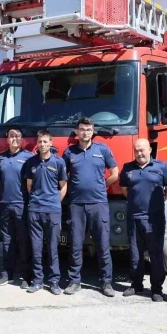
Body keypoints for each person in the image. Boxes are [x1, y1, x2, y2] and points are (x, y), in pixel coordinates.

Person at [62, 117, 119, 297]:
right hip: (76, 205)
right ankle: (74, 281)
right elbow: (62, 177)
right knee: (76, 245)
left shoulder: (102, 149)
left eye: (88, 129)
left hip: (98, 204)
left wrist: (102, 185)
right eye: (82, 129)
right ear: (77, 132)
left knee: (102, 244)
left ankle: (106, 282)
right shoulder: (69, 152)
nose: (85, 132)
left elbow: (115, 173)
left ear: (93, 131)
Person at [119, 139, 167, 302]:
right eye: (136, 150)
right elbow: (125, 189)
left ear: (150, 150)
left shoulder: (161, 167)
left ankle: (156, 289)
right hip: (134, 217)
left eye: (142, 150)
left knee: (155, 254)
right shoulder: (128, 168)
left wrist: (155, 205)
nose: (140, 153)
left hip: (154, 219)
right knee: (135, 254)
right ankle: (136, 284)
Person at [25, 130, 67, 294]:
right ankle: (37, 281)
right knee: (36, 248)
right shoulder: (31, 163)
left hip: (53, 211)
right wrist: (37, 200)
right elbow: (29, 186)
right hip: (35, 210)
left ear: (51, 143)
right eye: (40, 142)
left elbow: (63, 186)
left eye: (45, 142)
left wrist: (56, 202)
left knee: (52, 248)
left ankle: (55, 281)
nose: (42, 144)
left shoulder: (59, 162)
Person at [0, 127, 34, 288]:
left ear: (22, 139)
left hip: (22, 205)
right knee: (7, 241)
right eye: (12, 136)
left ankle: (26, 276)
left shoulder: (28, 157)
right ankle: (7, 274)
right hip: (5, 205)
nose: (15, 139)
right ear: (7, 139)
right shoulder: (1, 158)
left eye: (18, 136)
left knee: (24, 241)